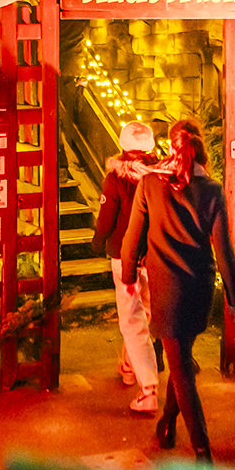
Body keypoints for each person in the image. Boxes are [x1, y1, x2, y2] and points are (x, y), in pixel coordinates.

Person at [121, 119, 235, 464]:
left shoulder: (150, 184)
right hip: (200, 287)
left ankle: (202, 451)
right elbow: (224, 249)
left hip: (167, 290)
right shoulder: (212, 190)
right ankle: (167, 424)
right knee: (181, 358)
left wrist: (128, 277)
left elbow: (133, 235)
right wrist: (234, 298)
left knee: (182, 369)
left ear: (170, 148)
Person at [90, 121, 162, 414]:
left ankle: (146, 387)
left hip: (124, 255)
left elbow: (107, 218)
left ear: (122, 145)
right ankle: (129, 365)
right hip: (155, 255)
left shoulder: (115, 179)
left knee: (131, 318)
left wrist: (97, 242)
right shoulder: (161, 176)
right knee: (146, 312)